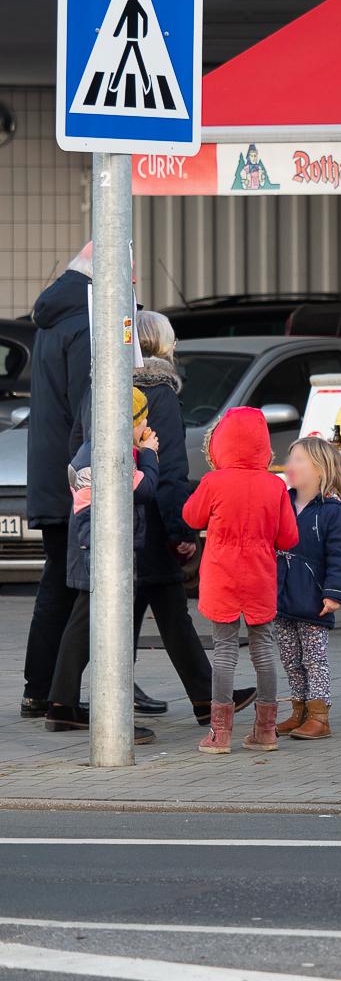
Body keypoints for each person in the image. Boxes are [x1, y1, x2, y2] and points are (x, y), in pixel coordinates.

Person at [131, 311, 255, 725]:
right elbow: (170, 469)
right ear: (163, 345)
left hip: (130, 517)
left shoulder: (116, 386)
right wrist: (181, 529)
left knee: (167, 611)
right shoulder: (160, 392)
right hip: (150, 520)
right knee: (147, 611)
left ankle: (206, 698)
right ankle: (74, 697)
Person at [44, 387, 159, 744]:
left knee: (83, 624)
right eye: (141, 421)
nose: (146, 427)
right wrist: (150, 455)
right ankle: (107, 717)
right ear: (127, 421)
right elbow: (144, 490)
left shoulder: (95, 448)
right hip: (103, 548)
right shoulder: (111, 453)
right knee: (105, 627)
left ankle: (62, 705)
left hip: (92, 544)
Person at [184, 407, 299, 754]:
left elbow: (191, 516)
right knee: (263, 650)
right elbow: (288, 538)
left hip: (223, 575)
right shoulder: (275, 485)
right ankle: (266, 731)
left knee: (224, 650)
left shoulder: (214, 482)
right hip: (261, 576)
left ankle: (220, 733)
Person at [21, 245, 93, 719]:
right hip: (74, 478)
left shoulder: (53, 320)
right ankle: (53, 692)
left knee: (59, 583)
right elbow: (89, 406)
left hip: (51, 474)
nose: (132, 285)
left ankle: (41, 688)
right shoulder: (84, 323)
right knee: (73, 586)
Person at [275, 438, 341, 741]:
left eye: (298, 460)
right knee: (290, 658)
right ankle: (300, 709)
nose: (289, 466)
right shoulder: (282, 502)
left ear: (319, 468)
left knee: (314, 658)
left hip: (313, 597)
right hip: (281, 596)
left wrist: (333, 593)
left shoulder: (332, 511)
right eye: (290, 459)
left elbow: (339, 556)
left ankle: (319, 715)